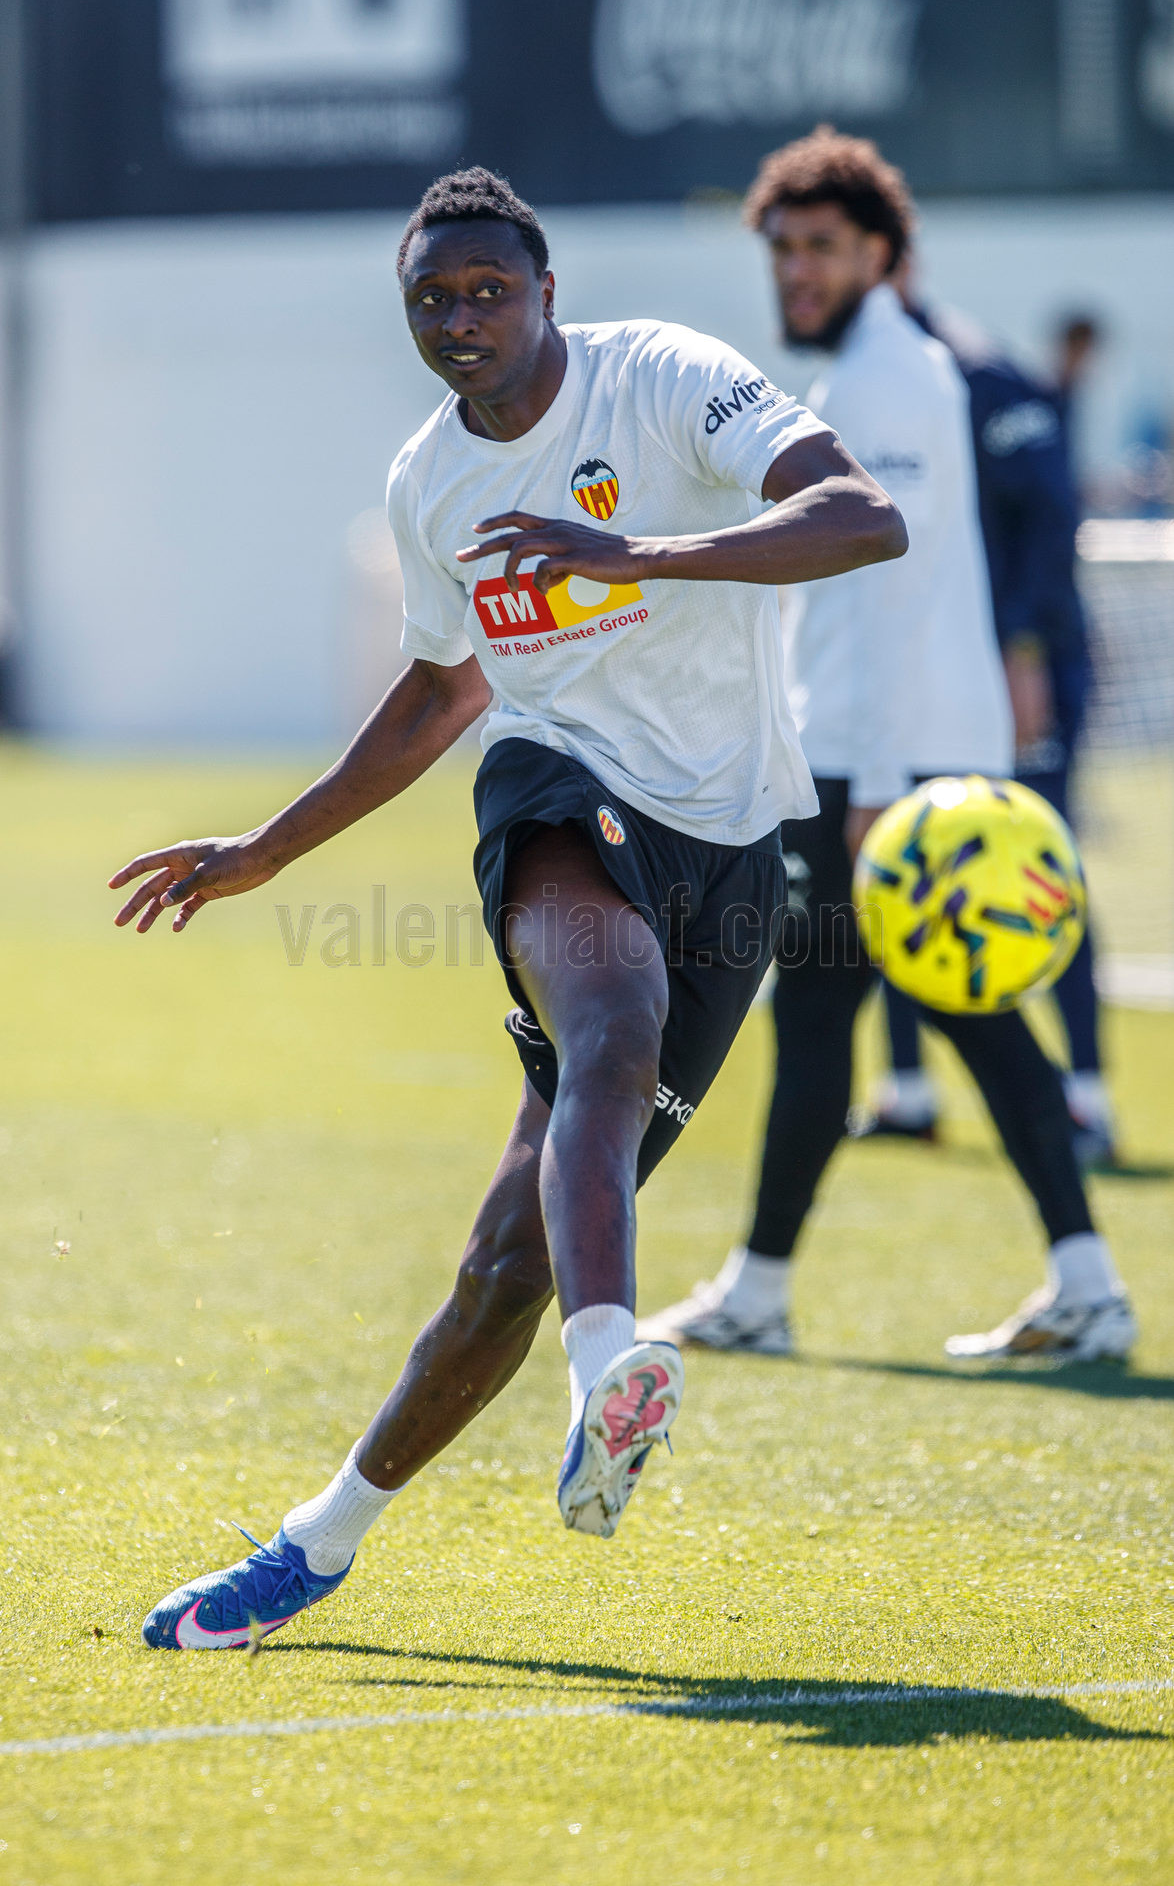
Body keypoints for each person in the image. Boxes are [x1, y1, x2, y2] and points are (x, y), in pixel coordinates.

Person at [109, 166, 907, 1649]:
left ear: (547, 293)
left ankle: (316, 1541)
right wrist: (270, 849)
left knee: (504, 1264)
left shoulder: (662, 378)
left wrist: (634, 553)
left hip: (735, 842)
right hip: (554, 784)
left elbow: (862, 517)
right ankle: (611, 1370)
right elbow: (441, 693)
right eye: (432, 299)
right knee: (609, 1020)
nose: (460, 319)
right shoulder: (430, 482)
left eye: (488, 290)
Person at [639, 129, 1137, 1368]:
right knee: (860, 1019)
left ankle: (779, 1292)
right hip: (887, 760)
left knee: (903, 1019)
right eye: (781, 248)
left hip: (883, 771)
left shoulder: (885, 380)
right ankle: (788, 1287)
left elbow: (888, 591)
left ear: (880, 253)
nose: (795, 270)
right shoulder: (878, 369)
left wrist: (869, 790)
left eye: (821, 246)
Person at [859, 280, 1114, 1165]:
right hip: (924, 669)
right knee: (900, 860)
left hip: (1012, 671)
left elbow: (1047, 516)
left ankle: (1085, 1101)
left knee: (1045, 861)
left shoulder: (977, 373)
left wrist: (1024, 648)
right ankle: (907, 1089)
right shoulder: (867, 377)